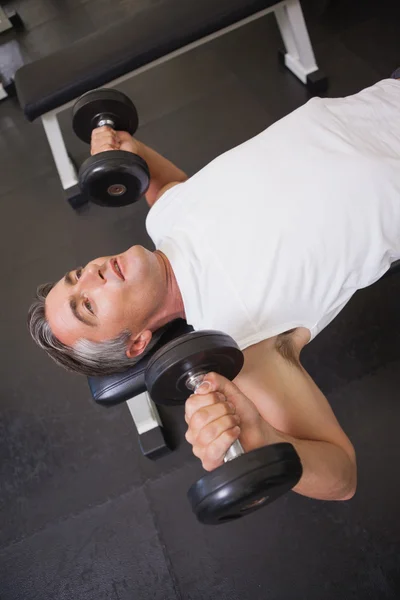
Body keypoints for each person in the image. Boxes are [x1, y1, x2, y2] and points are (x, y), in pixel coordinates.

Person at [28, 76, 400, 504]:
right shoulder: (243, 343)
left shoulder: (163, 219)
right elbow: (342, 476)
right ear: (137, 343)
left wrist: (119, 147)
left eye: (78, 274)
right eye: (88, 305)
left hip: (382, 95)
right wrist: (264, 437)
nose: (92, 272)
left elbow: (171, 187)